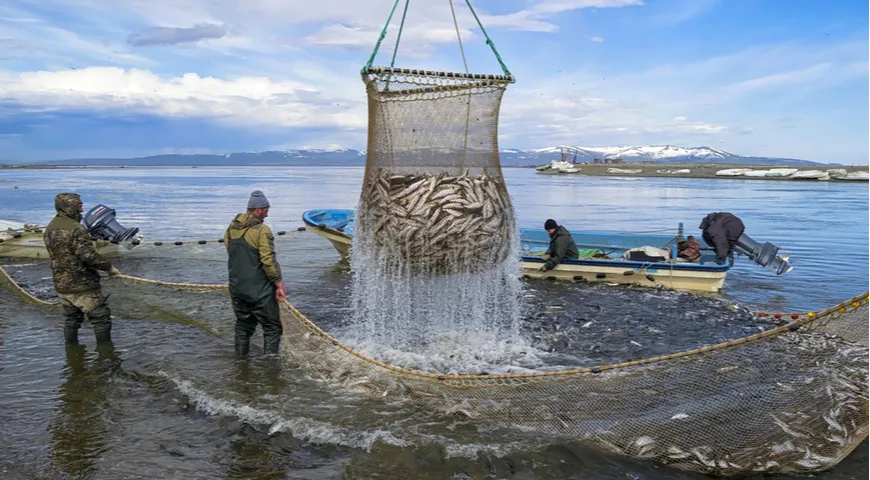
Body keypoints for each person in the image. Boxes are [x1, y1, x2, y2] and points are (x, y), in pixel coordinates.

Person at [44, 193, 120, 345]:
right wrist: (110, 268)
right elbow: (88, 256)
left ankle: (72, 352)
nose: (82, 209)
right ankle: (106, 356)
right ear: (69, 207)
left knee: (72, 319)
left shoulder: (50, 227)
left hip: (61, 285)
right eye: (78, 206)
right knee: (101, 319)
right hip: (82, 285)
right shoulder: (76, 229)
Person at [224, 190, 286, 356]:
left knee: (243, 327)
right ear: (258, 210)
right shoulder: (262, 230)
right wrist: (278, 284)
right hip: (259, 290)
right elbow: (268, 260)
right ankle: (271, 370)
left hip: (237, 288)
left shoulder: (231, 228)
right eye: (266, 211)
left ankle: (241, 364)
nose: (266, 214)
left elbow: (229, 250)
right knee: (272, 328)